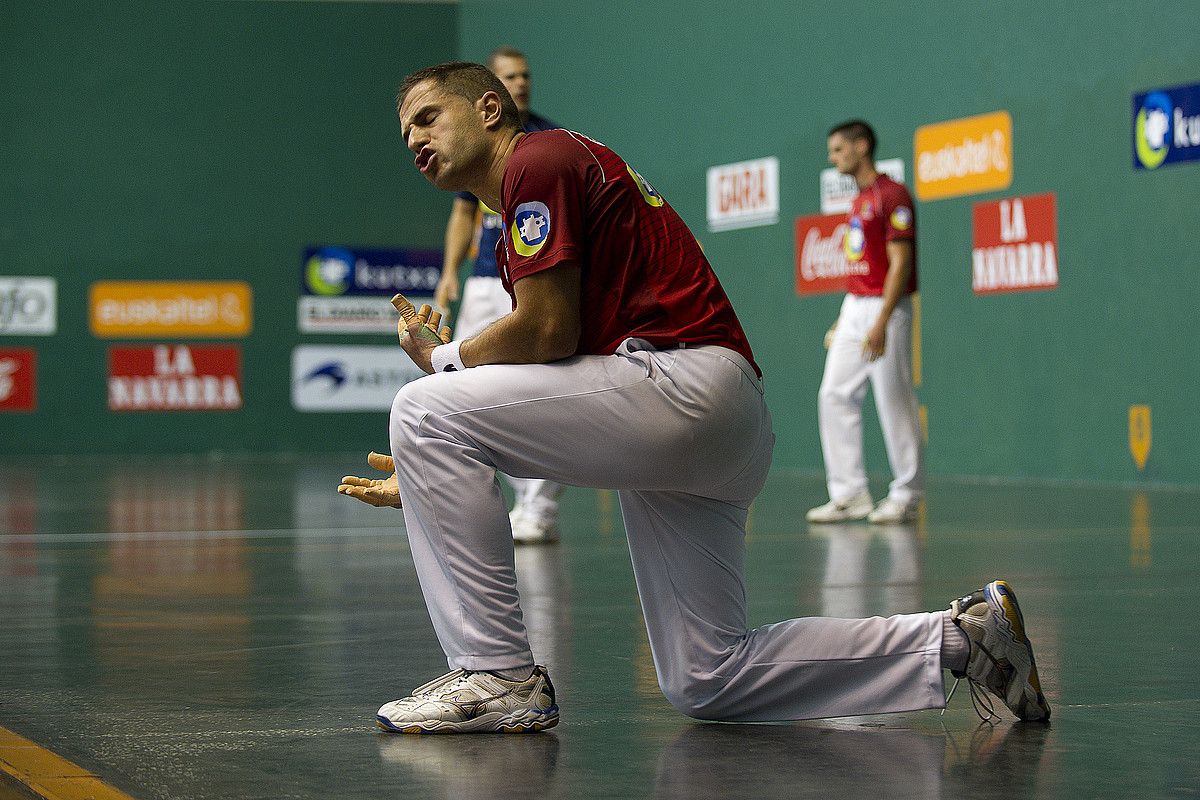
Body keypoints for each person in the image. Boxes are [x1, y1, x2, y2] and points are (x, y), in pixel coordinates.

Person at [337, 62, 1050, 733]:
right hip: (707, 420)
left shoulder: (537, 160)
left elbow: (548, 332)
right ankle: (966, 640)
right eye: (406, 135)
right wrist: (441, 469)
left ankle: (494, 675)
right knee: (706, 675)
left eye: (428, 118)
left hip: (681, 386)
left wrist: (443, 361)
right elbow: (562, 383)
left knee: (423, 405)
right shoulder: (534, 193)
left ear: (489, 108)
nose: (416, 141)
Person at [434, 46, 564, 544]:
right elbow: (463, 213)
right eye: (511, 75)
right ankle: (484, 504)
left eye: (527, 74)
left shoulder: (549, 139)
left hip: (532, 280)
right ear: (490, 90)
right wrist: (450, 272)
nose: (522, 82)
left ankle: (539, 509)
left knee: (537, 391)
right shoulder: (475, 141)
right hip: (485, 280)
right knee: (459, 384)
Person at [806, 120, 925, 525]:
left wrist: (881, 321)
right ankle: (849, 494)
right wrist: (845, 319)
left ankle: (907, 494)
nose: (832, 157)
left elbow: (900, 264)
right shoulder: (858, 200)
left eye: (838, 149)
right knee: (834, 394)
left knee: (893, 400)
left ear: (862, 146)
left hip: (885, 309)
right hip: (855, 306)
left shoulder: (893, 195)